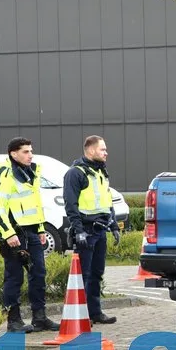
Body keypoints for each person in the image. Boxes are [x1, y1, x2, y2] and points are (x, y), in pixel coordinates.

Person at [0, 137, 60, 333]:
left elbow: (34, 204)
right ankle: (14, 321)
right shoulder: (5, 173)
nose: (31, 155)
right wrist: (8, 233)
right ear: (14, 154)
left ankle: (40, 318)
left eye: (31, 151)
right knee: (14, 278)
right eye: (26, 152)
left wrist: (40, 228)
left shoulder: (31, 172)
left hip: (32, 232)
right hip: (14, 233)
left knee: (38, 274)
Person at [63, 136, 120, 325]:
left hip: (100, 229)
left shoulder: (100, 172)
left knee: (96, 273)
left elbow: (107, 202)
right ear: (91, 150)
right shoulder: (75, 173)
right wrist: (78, 230)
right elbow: (71, 205)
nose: (106, 153)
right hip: (86, 231)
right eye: (102, 149)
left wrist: (113, 225)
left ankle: (95, 312)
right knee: (84, 275)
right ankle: (82, 315)